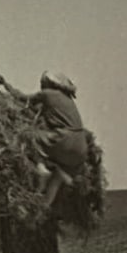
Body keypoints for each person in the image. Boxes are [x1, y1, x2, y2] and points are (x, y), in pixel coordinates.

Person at [16, 71, 88, 206]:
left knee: (27, 135)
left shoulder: (48, 94)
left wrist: (4, 83)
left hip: (64, 139)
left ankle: (41, 167)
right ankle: (43, 207)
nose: (41, 85)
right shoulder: (67, 98)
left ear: (48, 83)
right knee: (57, 178)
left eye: (42, 82)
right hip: (81, 146)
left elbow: (21, 98)